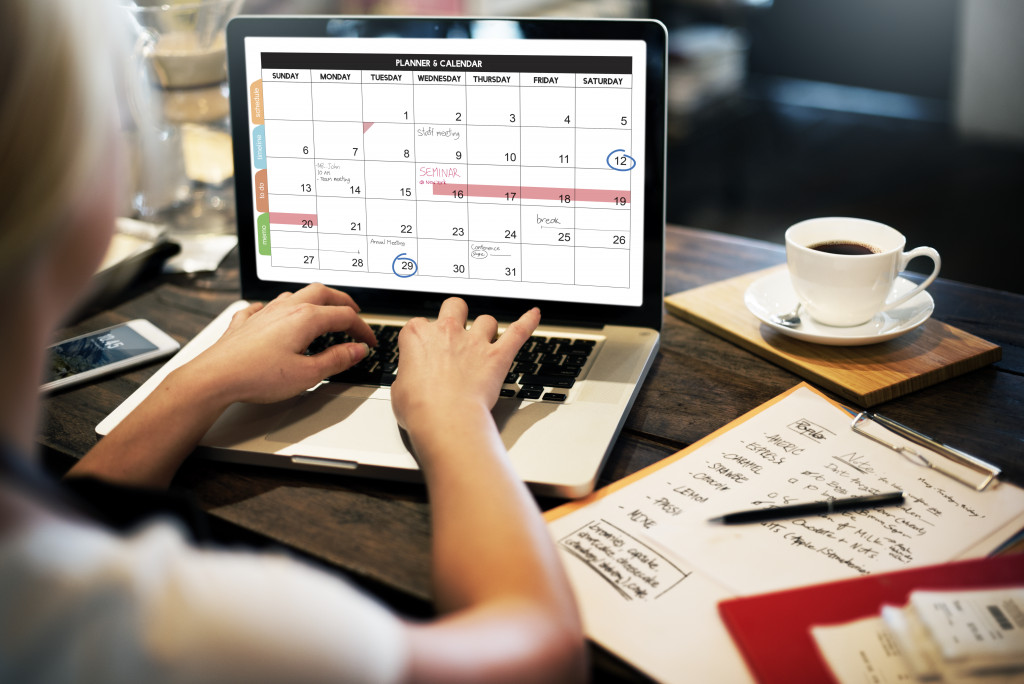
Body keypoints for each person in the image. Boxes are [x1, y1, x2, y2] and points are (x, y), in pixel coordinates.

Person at [0, 1, 585, 681]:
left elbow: (77, 520)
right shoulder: (186, 627)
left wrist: (199, 381)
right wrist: (451, 416)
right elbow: (541, 654)